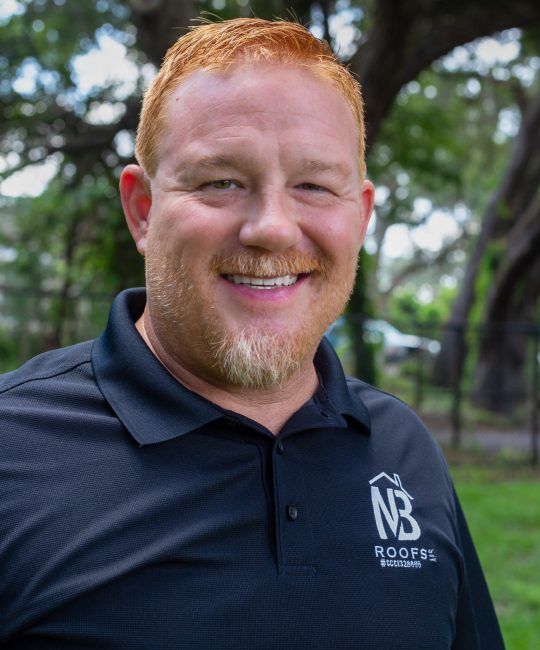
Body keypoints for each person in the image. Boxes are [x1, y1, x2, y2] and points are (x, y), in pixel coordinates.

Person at [0, 18, 504, 649]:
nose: (272, 228)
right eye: (221, 182)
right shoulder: (12, 451)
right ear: (143, 211)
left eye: (314, 186)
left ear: (362, 215)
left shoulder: (405, 453)